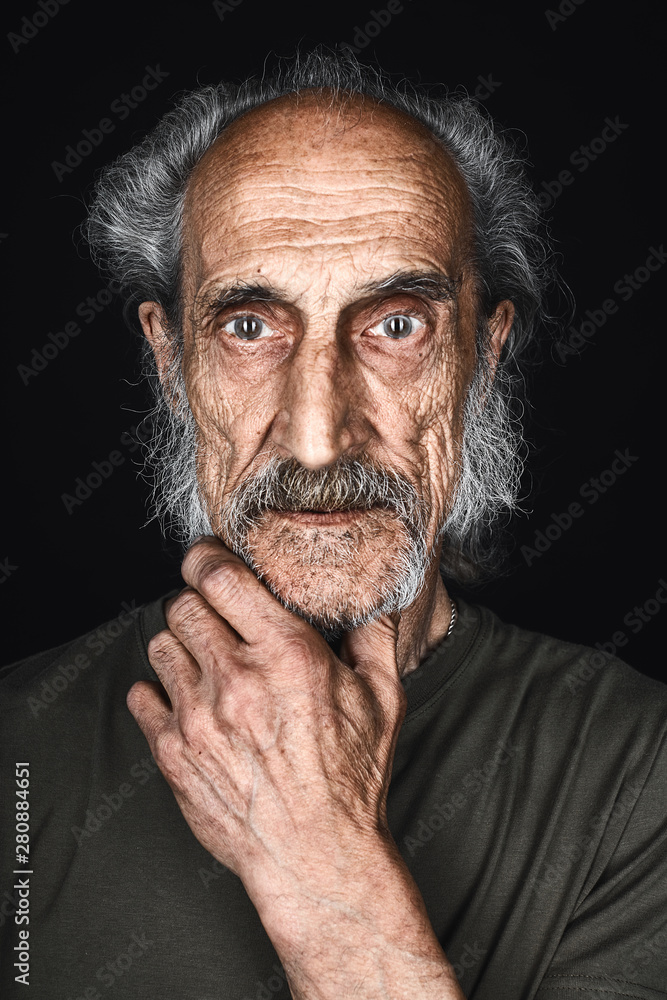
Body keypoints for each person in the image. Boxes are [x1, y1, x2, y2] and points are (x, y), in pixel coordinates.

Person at [1, 49, 665, 1000]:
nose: (317, 440)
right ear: (168, 357)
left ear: (483, 354)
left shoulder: (641, 772)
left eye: (396, 325)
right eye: (248, 327)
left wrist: (322, 870)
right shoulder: (14, 749)